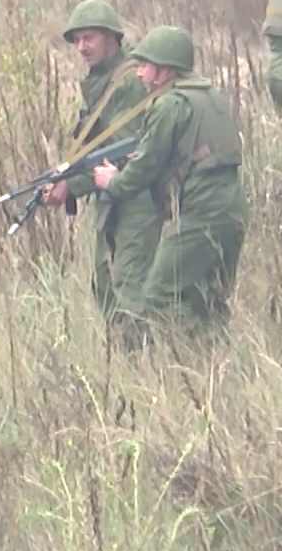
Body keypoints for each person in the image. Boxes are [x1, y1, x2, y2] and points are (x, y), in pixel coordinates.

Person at [92, 27, 248, 348]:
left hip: (201, 214)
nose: (139, 74)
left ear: (164, 71)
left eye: (144, 66)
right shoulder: (211, 97)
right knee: (208, 300)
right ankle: (214, 368)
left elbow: (144, 169)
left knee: (157, 297)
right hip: (232, 210)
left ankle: (144, 371)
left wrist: (113, 181)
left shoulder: (168, 104)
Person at [40, 0, 152, 324]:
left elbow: (125, 150)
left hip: (136, 201)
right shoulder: (102, 80)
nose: (81, 47)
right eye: (76, 40)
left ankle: (140, 364)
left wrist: (72, 184)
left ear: (111, 37)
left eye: (88, 37)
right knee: (105, 286)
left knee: (126, 289)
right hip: (114, 197)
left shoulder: (128, 81)